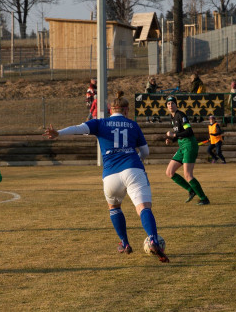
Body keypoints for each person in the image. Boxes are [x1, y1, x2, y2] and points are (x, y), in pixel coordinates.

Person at [43, 91, 169, 263]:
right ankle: (153, 239)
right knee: (143, 208)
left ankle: (125, 243)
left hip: (110, 175)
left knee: (114, 207)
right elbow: (145, 152)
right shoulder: (133, 125)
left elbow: (79, 128)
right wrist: (134, 162)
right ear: (126, 110)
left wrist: (58, 132)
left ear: (111, 110)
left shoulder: (100, 123)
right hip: (133, 170)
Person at [164, 95, 210, 206]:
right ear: (166, 106)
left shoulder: (180, 115)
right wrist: (172, 140)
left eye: (172, 103)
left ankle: (204, 198)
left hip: (189, 145)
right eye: (168, 104)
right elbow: (180, 134)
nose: (171, 105)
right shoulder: (172, 117)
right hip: (182, 146)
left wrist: (174, 134)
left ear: (176, 104)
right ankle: (191, 190)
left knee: (188, 175)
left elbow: (189, 131)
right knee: (169, 172)